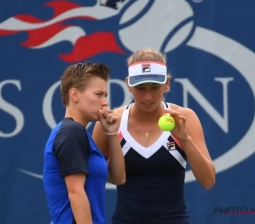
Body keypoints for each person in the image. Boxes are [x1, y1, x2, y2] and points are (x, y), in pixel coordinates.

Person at [92, 49, 216, 224]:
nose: (148, 96)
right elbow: (100, 179)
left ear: (167, 83)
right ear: (128, 84)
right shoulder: (110, 123)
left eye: (155, 87)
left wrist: (185, 139)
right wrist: (112, 136)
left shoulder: (185, 117)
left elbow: (208, 181)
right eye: (140, 88)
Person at [43, 61, 126, 224]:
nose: (105, 102)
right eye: (98, 94)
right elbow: (75, 192)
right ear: (74, 95)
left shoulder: (78, 133)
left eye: (105, 95)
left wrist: (111, 133)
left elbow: (118, 178)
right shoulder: (72, 132)